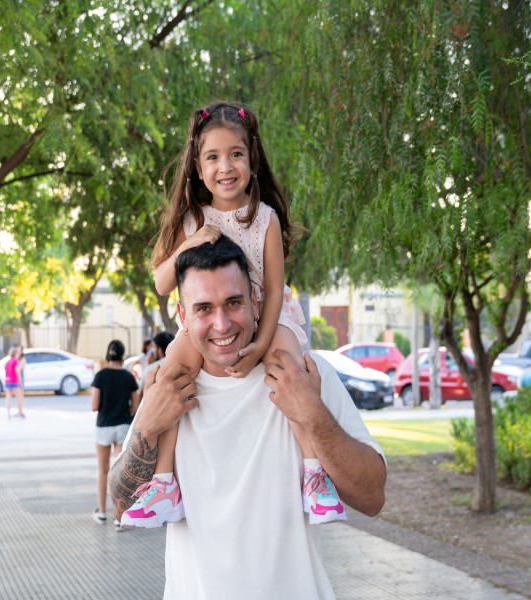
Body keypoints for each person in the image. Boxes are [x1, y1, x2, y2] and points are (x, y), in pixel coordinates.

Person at [108, 236, 386, 598]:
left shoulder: (304, 376)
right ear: (183, 317)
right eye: (203, 308)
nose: (221, 324)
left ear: (257, 302)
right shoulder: (168, 388)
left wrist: (312, 413)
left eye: (233, 302)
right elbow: (120, 504)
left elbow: (372, 497)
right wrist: (147, 425)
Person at [123, 101, 340, 528]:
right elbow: (162, 283)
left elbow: (275, 287)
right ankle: (165, 483)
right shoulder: (192, 219)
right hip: (213, 320)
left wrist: (261, 342)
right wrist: (191, 242)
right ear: (199, 168)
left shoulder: (265, 219)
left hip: (266, 317)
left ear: (252, 159)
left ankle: (315, 476)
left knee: (288, 367)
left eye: (236, 154)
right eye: (213, 157)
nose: (226, 166)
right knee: (170, 373)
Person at [91, 340, 141, 528]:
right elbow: (135, 407)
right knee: (119, 471)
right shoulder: (129, 378)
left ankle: (102, 512)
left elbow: (94, 405)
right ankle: (119, 517)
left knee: (103, 470)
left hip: (104, 426)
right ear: (122, 355)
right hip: (123, 426)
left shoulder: (100, 376)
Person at [4, 348, 26, 419]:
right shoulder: (15, 361)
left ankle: (8, 413)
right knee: (19, 397)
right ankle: (20, 412)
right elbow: (18, 373)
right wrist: (21, 384)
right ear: (15, 354)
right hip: (14, 381)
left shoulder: (8, 362)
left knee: (8, 397)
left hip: (7, 381)